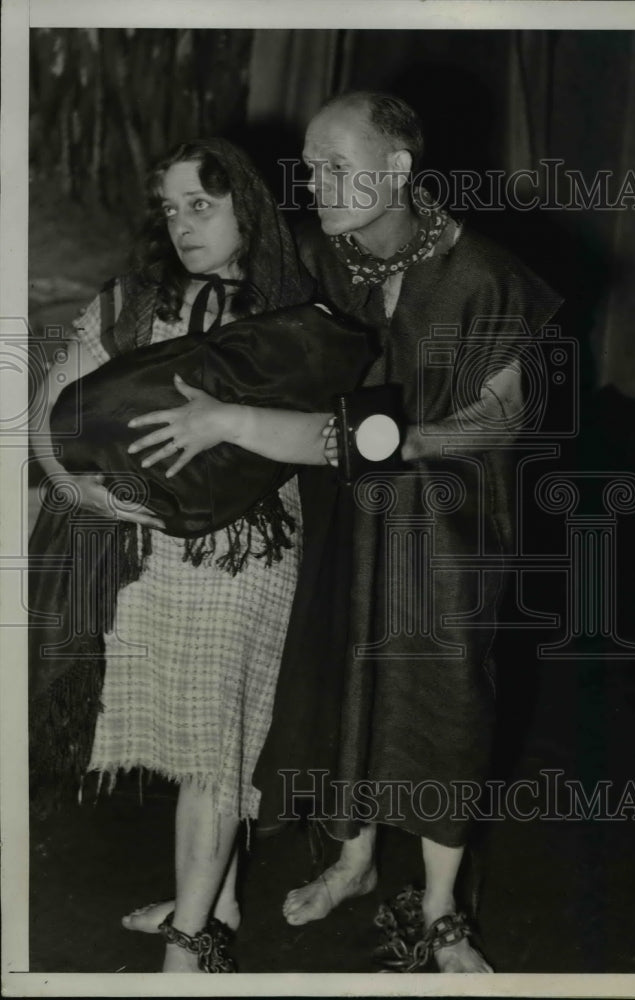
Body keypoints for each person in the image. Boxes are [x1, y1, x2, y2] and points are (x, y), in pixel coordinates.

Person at [255, 91, 565, 973]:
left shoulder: (487, 275)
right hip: (344, 527)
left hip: (448, 530)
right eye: (309, 167)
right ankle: (352, 862)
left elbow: (505, 418)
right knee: (345, 685)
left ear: (397, 169)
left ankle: (439, 911)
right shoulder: (324, 262)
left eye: (337, 166)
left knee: (444, 699)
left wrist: (408, 443)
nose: (316, 183)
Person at [29, 137, 337, 973]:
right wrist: (79, 488)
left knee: (213, 749)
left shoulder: (297, 314)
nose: (183, 224)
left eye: (200, 204)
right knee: (206, 744)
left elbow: (337, 444)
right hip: (151, 553)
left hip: (249, 556)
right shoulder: (133, 301)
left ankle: (189, 950)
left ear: (246, 204)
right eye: (170, 208)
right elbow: (44, 415)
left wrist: (229, 424)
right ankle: (217, 901)